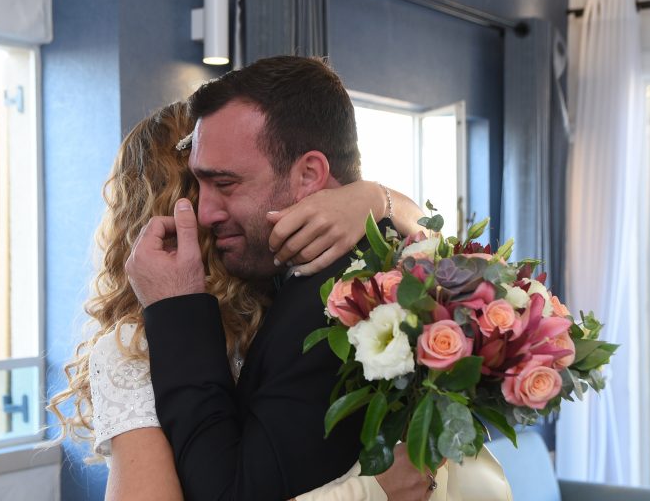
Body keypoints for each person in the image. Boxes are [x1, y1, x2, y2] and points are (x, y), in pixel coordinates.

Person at [48, 101, 434, 500]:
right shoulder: (137, 348)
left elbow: (434, 246)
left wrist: (372, 198)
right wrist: (369, 494)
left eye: (229, 183)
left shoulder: (297, 297)